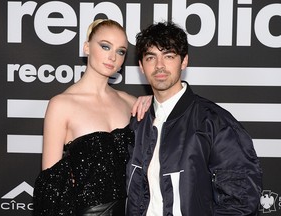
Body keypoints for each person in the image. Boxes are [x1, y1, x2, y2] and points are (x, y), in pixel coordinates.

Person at [126, 21, 262, 215]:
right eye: (150, 57)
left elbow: (241, 200)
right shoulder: (138, 123)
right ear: (141, 66)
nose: (160, 66)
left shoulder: (215, 122)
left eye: (169, 56)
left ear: (184, 61)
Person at [33, 19, 151, 216]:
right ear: (87, 47)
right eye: (105, 46)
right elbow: (51, 191)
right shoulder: (61, 105)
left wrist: (155, 102)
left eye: (120, 51)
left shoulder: (132, 103)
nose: (112, 56)